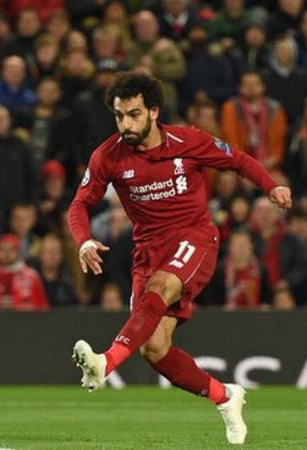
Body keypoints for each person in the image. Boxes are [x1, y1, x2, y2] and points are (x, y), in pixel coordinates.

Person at [68, 72, 291, 444]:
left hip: (195, 237)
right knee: (154, 348)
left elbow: (237, 160)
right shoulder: (107, 155)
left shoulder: (188, 141)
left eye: (134, 114)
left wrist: (271, 186)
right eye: (120, 116)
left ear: (154, 111)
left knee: (161, 287)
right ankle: (226, 396)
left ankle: (105, 362)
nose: (126, 124)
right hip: (148, 249)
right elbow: (79, 204)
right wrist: (84, 241)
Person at [0, 233, 49, 311]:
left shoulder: (32, 277)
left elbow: (42, 307)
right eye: (2, 249)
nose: (6, 254)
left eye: (10, 249)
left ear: (18, 251)